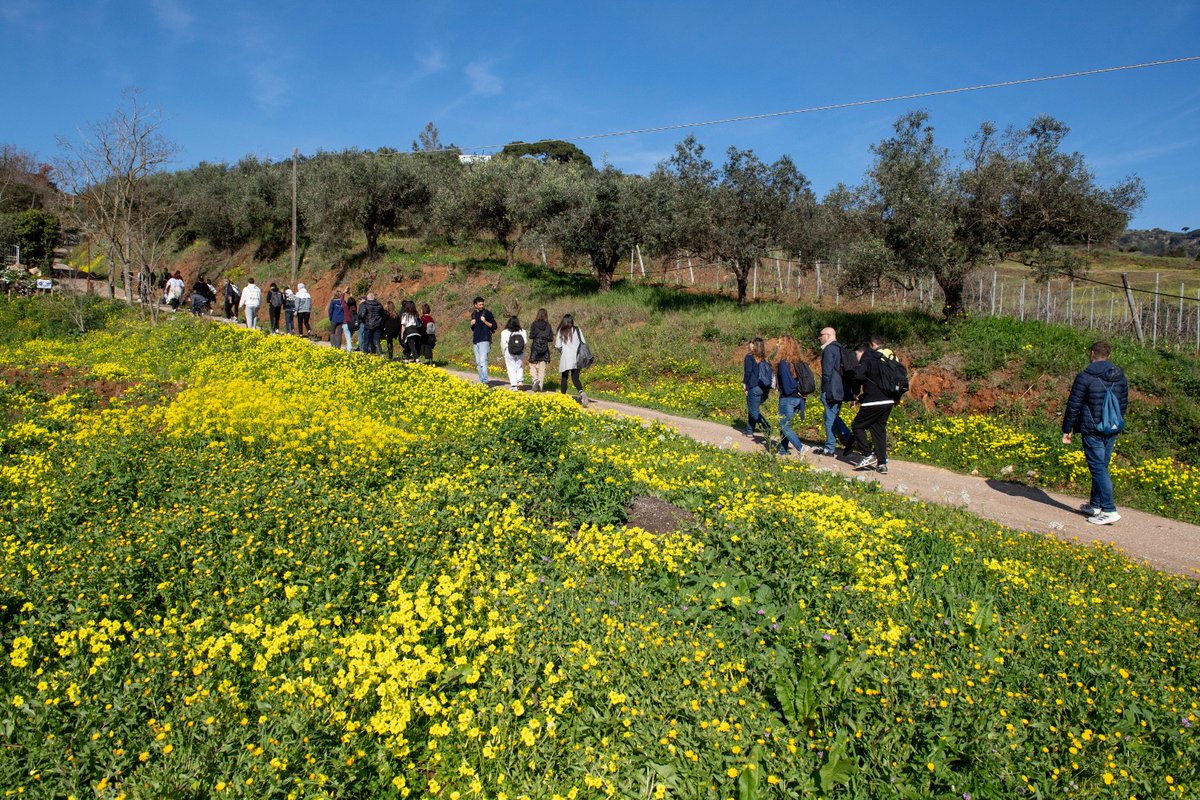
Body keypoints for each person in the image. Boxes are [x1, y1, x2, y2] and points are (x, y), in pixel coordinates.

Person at [1062, 341, 1129, 525]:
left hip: (1091, 428)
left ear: (1092, 353)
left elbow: (1074, 405)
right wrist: (1114, 423)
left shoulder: (1085, 377)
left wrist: (1067, 429)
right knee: (1102, 466)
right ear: (1108, 355)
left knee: (1098, 468)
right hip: (1111, 428)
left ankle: (1109, 509)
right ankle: (1095, 505)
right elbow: (1123, 402)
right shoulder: (1119, 376)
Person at [847, 333, 894, 474]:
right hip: (888, 400)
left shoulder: (867, 360)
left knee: (857, 426)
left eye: (856, 355)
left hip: (874, 401)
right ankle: (881, 463)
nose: (856, 358)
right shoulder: (882, 360)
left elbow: (859, 377)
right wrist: (860, 399)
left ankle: (867, 455)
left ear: (861, 351)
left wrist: (852, 374)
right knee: (878, 430)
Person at [814, 326, 854, 456]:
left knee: (829, 419)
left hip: (831, 389)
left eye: (821, 335)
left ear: (828, 335)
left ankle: (830, 447)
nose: (820, 338)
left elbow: (827, 372)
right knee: (833, 416)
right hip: (840, 390)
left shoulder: (829, 349)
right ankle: (848, 437)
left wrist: (825, 390)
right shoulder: (841, 348)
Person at [774, 335, 811, 457]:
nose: (776, 345)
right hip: (798, 398)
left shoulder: (783, 363)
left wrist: (782, 389)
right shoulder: (796, 361)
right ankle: (784, 451)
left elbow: (787, 384)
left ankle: (801, 448)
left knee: (783, 425)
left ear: (785, 346)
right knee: (785, 425)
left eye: (779, 343)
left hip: (788, 398)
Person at [554, 313, 589, 407]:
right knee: (575, 378)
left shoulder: (561, 331)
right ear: (572, 321)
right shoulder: (577, 329)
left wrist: (562, 350)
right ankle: (581, 393)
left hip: (566, 357)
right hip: (577, 357)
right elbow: (583, 342)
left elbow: (557, 345)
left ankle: (563, 396)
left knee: (564, 377)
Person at [741, 338, 771, 442]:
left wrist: (745, 384)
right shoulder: (764, 358)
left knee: (754, 411)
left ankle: (767, 428)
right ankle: (749, 430)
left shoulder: (749, 357)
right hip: (763, 387)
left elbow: (748, 372)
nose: (750, 344)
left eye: (752, 343)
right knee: (753, 408)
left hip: (753, 386)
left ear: (754, 345)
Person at [469, 296, 497, 384]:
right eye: (479, 304)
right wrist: (471, 325)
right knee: (478, 362)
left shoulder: (487, 313)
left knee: (483, 360)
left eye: (482, 304)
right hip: (476, 340)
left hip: (485, 339)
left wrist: (485, 321)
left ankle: (485, 381)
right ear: (475, 305)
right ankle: (482, 380)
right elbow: (474, 329)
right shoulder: (473, 314)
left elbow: (494, 326)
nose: (481, 306)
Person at [527, 308, 554, 392]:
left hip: (535, 347)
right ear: (546, 315)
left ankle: (535, 380)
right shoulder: (548, 325)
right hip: (545, 348)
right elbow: (551, 338)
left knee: (532, 365)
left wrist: (536, 336)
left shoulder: (534, 324)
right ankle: (540, 386)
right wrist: (545, 338)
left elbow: (531, 336)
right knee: (542, 368)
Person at [500, 316, 528, 391]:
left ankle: (514, 386)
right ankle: (520, 381)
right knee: (519, 366)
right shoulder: (523, 331)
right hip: (520, 352)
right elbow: (525, 342)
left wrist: (503, 352)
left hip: (509, 352)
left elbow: (503, 344)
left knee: (511, 368)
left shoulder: (504, 332)